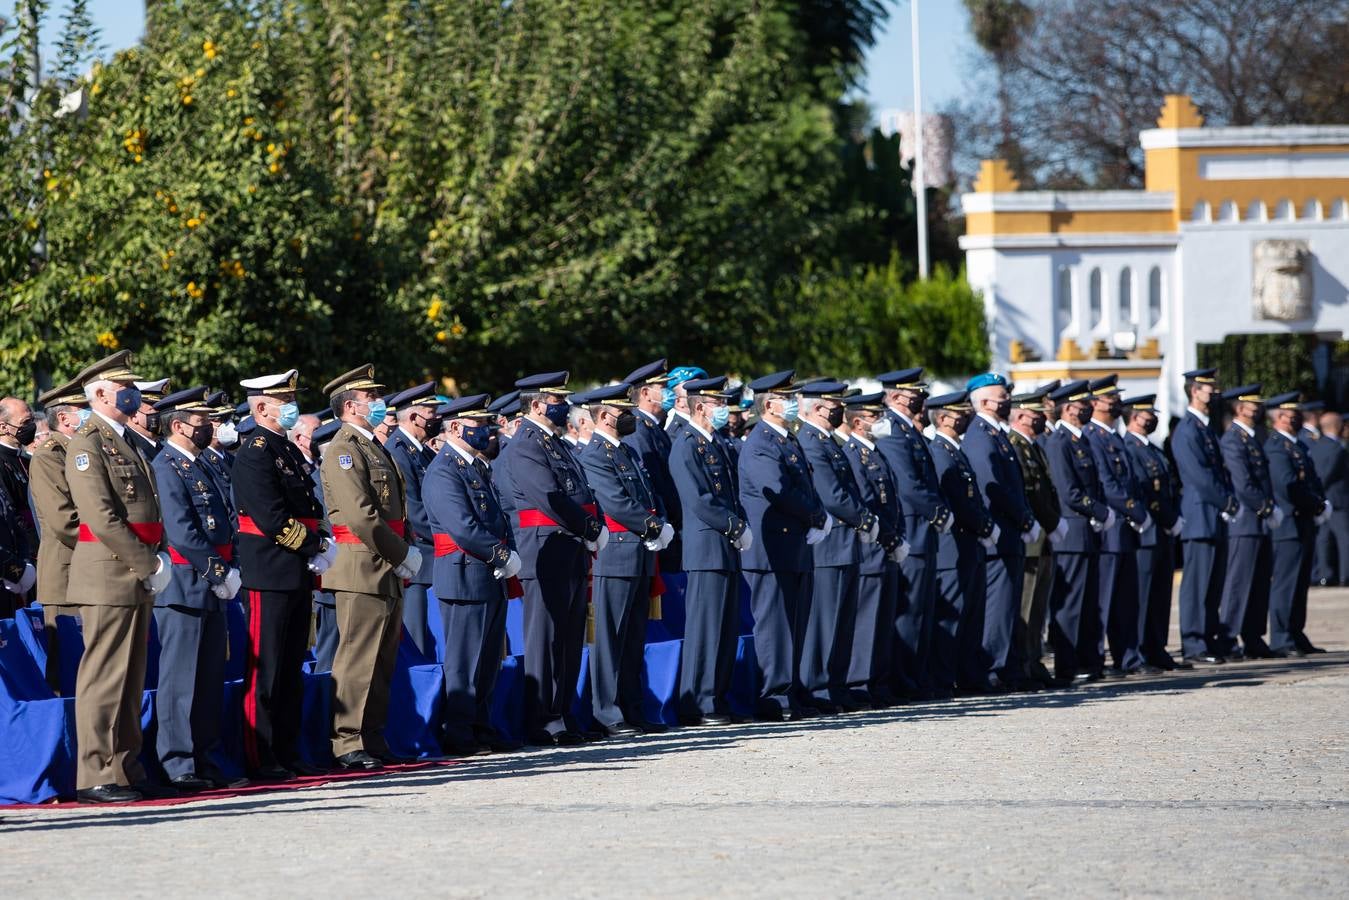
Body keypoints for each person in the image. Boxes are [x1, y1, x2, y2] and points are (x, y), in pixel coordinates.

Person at [64, 351, 173, 803]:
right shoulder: (87, 443)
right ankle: (96, 773)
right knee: (105, 675)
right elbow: (103, 518)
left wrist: (156, 556)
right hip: (110, 572)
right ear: (102, 394)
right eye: (125, 388)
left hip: (135, 569)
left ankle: (126, 765)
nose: (134, 395)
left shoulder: (123, 439)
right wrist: (150, 564)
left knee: (130, 677)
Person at [233, 367, 334, 780]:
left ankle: (288, 750)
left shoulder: (286, 449)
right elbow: (271, 518)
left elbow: (306, 506)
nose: (292, 408)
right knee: (267, 670)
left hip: (294, 569)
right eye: (284, 402)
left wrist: (320, 539)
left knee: (292, 666)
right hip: (269, 570)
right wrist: (315, 546)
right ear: (261, 407)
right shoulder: (255, 452)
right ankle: (261, 756)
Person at [320, 365, 422, 770]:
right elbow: (362, 516)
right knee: (357, 659)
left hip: (386, 563)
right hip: (362, 565)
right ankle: (348, 742)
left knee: (382, 660)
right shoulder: (343, 449)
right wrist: (402, 553)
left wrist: (402, 550)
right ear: (350, 407)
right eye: (371, 398)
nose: (379, 403)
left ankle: (373, 735)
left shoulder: (372, 445)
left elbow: (397, 508)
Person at [500, 371, 606, 746]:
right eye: (558, 401)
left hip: (570, 547)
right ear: (538, 404)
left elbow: (581, 491)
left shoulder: (555, 443)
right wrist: (590, 529)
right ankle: (544, 717)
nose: (564, 408)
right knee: (546, 637)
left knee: (570, 637)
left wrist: (593, 526)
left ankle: (563, 711)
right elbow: (550, 497)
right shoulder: (526, 444)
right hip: (544, 549)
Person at [151, 386, 244, 792]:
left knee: (208, 680)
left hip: (212, 582)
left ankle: (206, 756)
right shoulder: (167, 465)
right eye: (202, 423)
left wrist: (231, 566)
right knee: (180, 682)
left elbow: (225, 518)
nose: (209, 428)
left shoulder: (202, 463)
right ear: (178, 426)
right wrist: (218, 571)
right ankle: (177, 763)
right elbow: (182, 531)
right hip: (187, 583)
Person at [424, 394, 522, 755]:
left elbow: (498, 517)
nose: (485, 431)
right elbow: (463, 527)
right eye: (476, 425)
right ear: (454, 427)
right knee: (465, 660)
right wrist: (501, 553)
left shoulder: (475, 466)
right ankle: (460, 731)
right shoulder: (444, 469)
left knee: (487, 657)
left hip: (488, 574)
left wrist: (507, 551)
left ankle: (482, 725)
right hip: (465, 574)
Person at [578, 382, 675, 736]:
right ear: (604, 416)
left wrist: (659, 523)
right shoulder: (594, 455)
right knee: (610, 637)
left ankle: (633, 707)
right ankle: (607, 711)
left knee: (634, 636)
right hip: (617, 552)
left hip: (640, 552)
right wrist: (653, 527)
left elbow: (648, 494)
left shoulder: (627, 452)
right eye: (624, 413)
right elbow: (617, 503)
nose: (630, 418)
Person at [739, 370, 830, 720]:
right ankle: (774, 695)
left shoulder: (785, 440)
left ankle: (795, 688)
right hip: (772, 549)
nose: (794, 404)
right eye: (788, 398)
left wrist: (818, 513)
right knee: (774, 625)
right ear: (771, 404)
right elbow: (776, 489)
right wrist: (815, 516)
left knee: (795, 622)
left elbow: (804, 487)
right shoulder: (760, 441)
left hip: (794, 546)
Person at [670, 376, 750, 726]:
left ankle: (717, 696)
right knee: (706, 628)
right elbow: (700, 501)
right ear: (700, 407)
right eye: (718, 404)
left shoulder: (712, 442)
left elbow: (729, 493)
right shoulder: (686, 445)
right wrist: (736, 526)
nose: (724, 410)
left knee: (725, 627)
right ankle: (698, 702)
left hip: (725, 547)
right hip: (707, 548)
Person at [796, 380, 878, 711]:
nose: (839, 411)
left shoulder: (828, 442)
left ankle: (836, 684)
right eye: (834, 405)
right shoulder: (811, 442)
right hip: (829, 544)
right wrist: (864, 518)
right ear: (818, 408)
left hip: (845, 542)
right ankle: (817, 687)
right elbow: (832, 494)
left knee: (843, 622)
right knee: (824, 623)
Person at [874, 368, 952, 699]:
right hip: (912, 527)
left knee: (923, 611)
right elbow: (908, 483)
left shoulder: (908, 428)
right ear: (895, 396)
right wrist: (937, 511)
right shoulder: (892, 429)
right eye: (912, 393)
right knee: (909, 615)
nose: (919, 398)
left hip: (924, 531)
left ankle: (917, 677)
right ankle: (904, 679)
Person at [963, 373, 1039, 692]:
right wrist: (1023, 518)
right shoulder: (980, 435)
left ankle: (1006, 665)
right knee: (997, 607)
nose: (1007, 399)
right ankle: (992, 668)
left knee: (1008, 606)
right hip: (998, 534)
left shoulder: (996, 433)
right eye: (1001, 396)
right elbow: (991, 487)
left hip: (1010, 533)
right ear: (983, 402)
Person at [925, 391, 999, 694]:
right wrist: (982, 525)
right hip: (953, 545)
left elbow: (973, 496)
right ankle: (945, 678)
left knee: (971, 616)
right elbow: (955, 499)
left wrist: (984, 524)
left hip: (969, 543)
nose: (965, 416)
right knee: (954, 620)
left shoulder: (955, 449)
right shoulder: (941, 450)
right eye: (959, 413)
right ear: (942, 418)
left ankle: (968, 675)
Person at [840, 392, 908, 707]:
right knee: (866, 621)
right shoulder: (853, 453)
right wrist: (890, 537)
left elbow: (892, 501)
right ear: (857, 421)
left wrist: (899, 535)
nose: (881, 421)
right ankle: (859, 683)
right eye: (874, 416)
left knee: (881, 622)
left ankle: (879, 683)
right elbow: (866, 502)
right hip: (870, 548)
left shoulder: (875, 452)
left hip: (886, 546)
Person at [1171, 368, 1241, 665]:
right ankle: (1194, 643)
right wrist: (1225, 501)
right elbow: (1198, 475)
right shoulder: (1188, 429)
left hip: (1213, 514)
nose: (1213, 392)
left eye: (1213, 387)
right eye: (1206, 388)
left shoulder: (1206, 427)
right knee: (1198, 583)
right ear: (1194, 391)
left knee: (1213, 582)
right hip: (1200, 513)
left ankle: (1210, 637)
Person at [1042, 380, 1111, 682]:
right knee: (1069, 606)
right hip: (1072, 532)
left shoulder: (1080, 440)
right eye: (1083, 404)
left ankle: (1089, 661)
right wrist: (1100, 511)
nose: (1088, 408)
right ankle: (1067, 666)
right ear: (1069, 408)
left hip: (1087, 531)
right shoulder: (1059, 442)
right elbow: (1068, 491)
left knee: (1088, 603)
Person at [1083, 376, 1150, 676]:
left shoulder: (1113, 436)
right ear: (1095, 403)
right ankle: (1097, 660)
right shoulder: (1093, 437)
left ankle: (1128, 657)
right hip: (1109, 529)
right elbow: (1108, 486)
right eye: (1111, 399)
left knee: (1126, 601)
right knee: (1104, 601)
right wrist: (1136, 512)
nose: (1117, 404)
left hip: (1125, 530)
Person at [28, 380, 88, 691]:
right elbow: (65, 520)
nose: (90, 416)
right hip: (67, 576)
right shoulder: (49, 455)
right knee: (67, 671)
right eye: (84, 410)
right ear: (64, 419)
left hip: (90, 572)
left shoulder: (84, 450)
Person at [1121, 395, 1188, 671]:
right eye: (1148, 414)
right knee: (1142, 596)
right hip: (1148, 529)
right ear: (1135, 416)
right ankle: (1138, 652)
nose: (1153, 418)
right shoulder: (1130, 448)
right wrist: (1168, 517)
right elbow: (1145, 490)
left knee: (1160, 596)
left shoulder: (1153, 448)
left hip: (1162, 530)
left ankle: (1156, 647)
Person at [1006, 384, 1066, 688]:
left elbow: (1046, 488)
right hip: (1031, 536)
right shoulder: (1015, 444)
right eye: (1037, 413)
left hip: (1042, 537)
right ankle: (1023, 664)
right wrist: (1051, 521)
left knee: (1039, 606)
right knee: (1026, 607)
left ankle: (1034, 661)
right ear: (1021, 415)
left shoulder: (1033, 446)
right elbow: (1029, 493)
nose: (1043, 418)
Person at [1217, 385, 1280, 660]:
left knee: (1258, 584)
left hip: (1260, 521)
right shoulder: (1234, 439)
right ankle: (1229, 639)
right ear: (1239, 408)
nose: (1258, 409)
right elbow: (1242, 483)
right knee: (1239, 583)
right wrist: (1266, 508)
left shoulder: (1253, 438)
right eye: (1252, 405)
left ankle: (1253, 637)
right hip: (1245, 520)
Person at [1265, 393, 1330, 657]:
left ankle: (1295, 631)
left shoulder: (1298, 446)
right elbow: (1288, 485)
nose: (1297, 417)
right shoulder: (1276, 446)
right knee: (1285, 583)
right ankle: (1281, 637)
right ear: (1280, 417)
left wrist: (1319, 503)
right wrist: (1316, 505)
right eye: (1291, 413)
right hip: (1288, 523)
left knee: (1300, 582)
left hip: (1303, 521)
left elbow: (1311, 480)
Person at [383, 383, 441, 661]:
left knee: (435, 644)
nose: (436, 417)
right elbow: (413, 509)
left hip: (436, 556)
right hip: (420, 558)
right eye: (431, 411)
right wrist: (446, 534)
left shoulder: (422, 451)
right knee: (419, 645)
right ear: (414, 417)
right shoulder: (397, 451)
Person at [309, 417, 343, 672]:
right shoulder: (315, 482)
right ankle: (324, 709)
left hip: (354, 576)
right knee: (330, 655)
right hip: (332, 576)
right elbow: (326, 527)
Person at [1309, 409, 1349, 586]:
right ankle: (1344, 575)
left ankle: (1324, 574)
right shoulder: (1337, 449)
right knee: (1343, 538)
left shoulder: (1315, 446)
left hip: (1322, 500)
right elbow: (1327, 474)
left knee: (1323, 539)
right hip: (1337, 500)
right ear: (1338, 426)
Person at [126, 377, 169, 461]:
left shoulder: (161, 445)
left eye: (162, 409)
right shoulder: (129, 445)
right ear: (134, 416)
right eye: (153, 409)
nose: (160, 414)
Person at [664, 366, 707, 443]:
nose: (702, 396)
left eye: (702, 390)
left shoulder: (706, 424)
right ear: (678, 401)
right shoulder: (675, 434)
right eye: (693, 392)